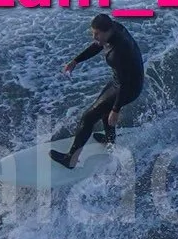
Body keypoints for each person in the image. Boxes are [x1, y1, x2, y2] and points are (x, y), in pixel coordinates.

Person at [52, 12, 143, 168]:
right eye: (93, 33)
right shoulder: (114, 28)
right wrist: (76, 61)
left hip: (127, 87)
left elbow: (124, 84)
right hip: (124, 81)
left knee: (87, 118)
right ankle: (109, 141)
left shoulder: (119, 52)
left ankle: (71, 159)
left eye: (97, 34)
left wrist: (116, 109)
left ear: (107, 31)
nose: (94, 37)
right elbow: (98, 45)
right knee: (102, 109)